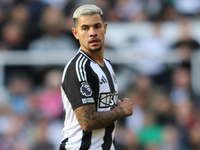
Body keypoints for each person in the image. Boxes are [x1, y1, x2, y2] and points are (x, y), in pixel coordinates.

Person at [59, 4, 133, 150]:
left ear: (105, 28)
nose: (92, 33)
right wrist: (121, 110)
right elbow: (87, 121)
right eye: (85, 28)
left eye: (97, 26)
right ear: (75, 33)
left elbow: (101, 106)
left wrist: (116, 105)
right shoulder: (79, 68)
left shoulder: (108, 65)